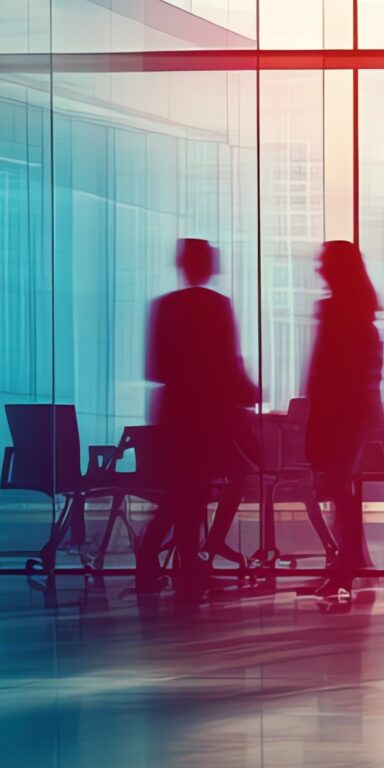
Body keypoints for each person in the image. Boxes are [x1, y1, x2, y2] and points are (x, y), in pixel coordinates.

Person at [136, 239, 257, 596]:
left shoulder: (165, 306)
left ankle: (171, 566)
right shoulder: (217, 306)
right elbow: (229, 363)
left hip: (174, 414)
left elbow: (156, 368)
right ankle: (184, 568)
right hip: (205, 416)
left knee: (182, 495)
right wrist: (247, 393)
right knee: (192, 496)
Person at [301, 240, 384, 599]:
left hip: (334, 413)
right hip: (352, 413)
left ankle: (345, 567)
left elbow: (320, 367)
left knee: (338, 491)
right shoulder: (362, 313)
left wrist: (311, 410)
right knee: (342, 492)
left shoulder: (333, 311)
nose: (319, 269)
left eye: (324, 263)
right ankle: (351, 562)